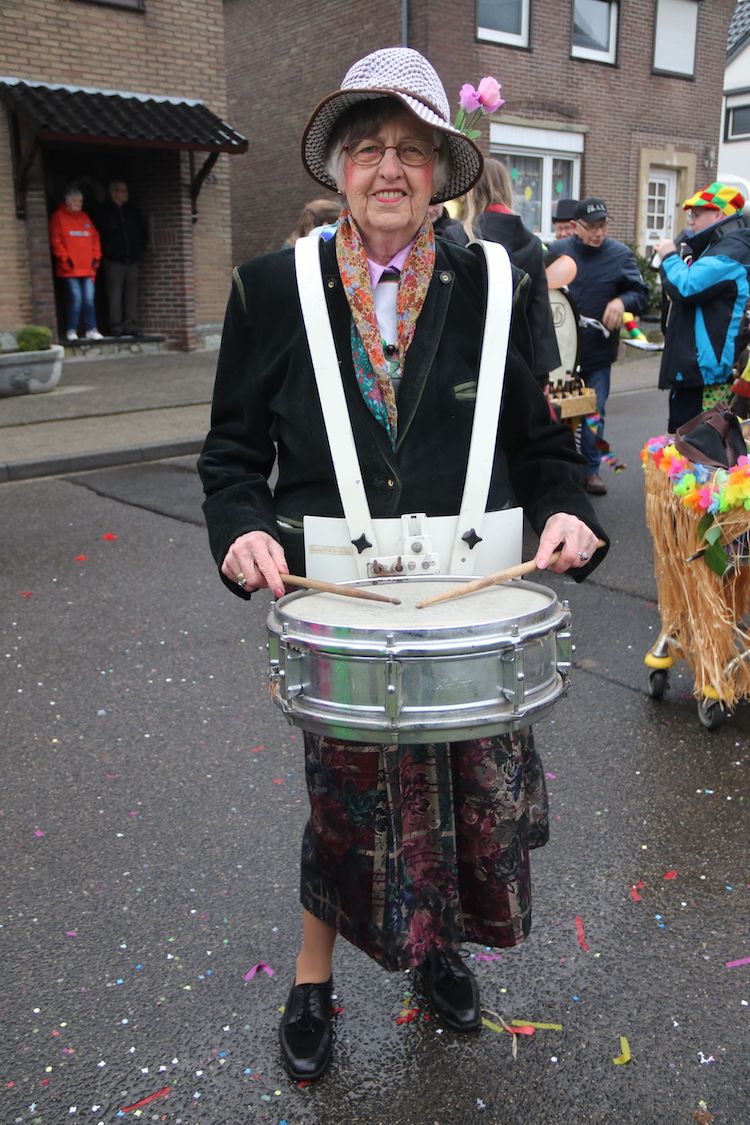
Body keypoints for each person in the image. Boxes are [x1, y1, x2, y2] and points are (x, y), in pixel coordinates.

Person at [198, 46, 608, 1084]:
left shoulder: (501, 285)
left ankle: (438, 952)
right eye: (369, 147)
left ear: (439, 172)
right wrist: (242, 528)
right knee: (344, 806)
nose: (389, 168)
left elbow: (551, 442)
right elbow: (233, 458)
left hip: (470, 604)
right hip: (338, 603)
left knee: (464, 798)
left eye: (412, 150)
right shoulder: (267, 290)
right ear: (339, 167)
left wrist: (567, 510)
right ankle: (311, 981)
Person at [546, 197, 648, 495]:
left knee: (594, 412)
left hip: (598, 352)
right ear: (575, 226)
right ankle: (562, 470)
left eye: (603, 226)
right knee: (559, 414)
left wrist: (621, 301)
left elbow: (640, 293)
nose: (599, 233)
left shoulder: (620, 255)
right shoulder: (557, 252)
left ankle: (591, 470)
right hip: (561, 354)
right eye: (592, 227)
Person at [444, 157, 560, 387]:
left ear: (472, 191)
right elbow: (539, 313)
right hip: (520, 369)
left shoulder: (458, 237)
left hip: (470, 368)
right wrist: (541, 377)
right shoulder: (533, 243)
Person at [652, 181, 750, 432]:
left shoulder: (732, 250)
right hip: (695, 370)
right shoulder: (715, 247)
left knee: (698, 447)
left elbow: (687, 285)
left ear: (719, 214)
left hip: (706, 374)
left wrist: (669, 256)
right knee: (684, 442)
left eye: (696, 215)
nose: (690, 222)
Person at [48, 186, 103, 341]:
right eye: (75, 201)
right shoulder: (58, 217)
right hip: (70, 268)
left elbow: (95, 239)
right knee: (76, 298)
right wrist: (64, 259)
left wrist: (96, 257)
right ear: (67, 202)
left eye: (80, 201)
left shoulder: (85, 217)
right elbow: (56, 241)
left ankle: (91, 329)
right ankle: (71, 330)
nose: (78, 204)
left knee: (89, 299)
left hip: (88, 268)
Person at [96, 180, 148, 336]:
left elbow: (142, 231)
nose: (126, 194)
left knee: (131, 294)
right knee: (115, 294)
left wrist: (139, 251)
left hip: (132, 259)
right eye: (123, 191)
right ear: (114, 193)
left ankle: (131, 325)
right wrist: (109, 252)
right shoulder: (104, 212)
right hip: (114, 260)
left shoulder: (132, 211)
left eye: (126, 190)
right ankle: (115, 326)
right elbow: (100, 235)